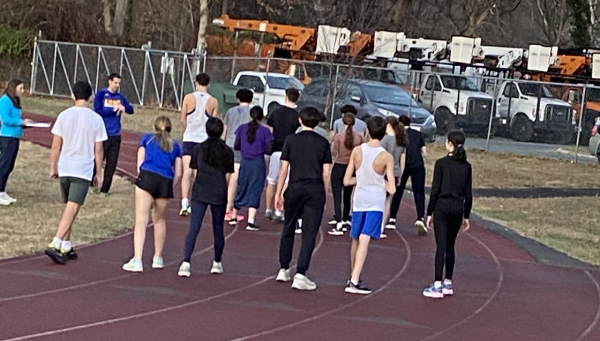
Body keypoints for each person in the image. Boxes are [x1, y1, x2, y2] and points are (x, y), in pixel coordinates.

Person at [45, 81, 108, 264]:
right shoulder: (96, 119)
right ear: (90, 97)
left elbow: (56, 145)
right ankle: (56, 242)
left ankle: (66, 244)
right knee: (73, 207)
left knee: (68, 207)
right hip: (82, 169)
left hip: (65, 166)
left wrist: (53, 166)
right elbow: (99, 149)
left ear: (73, 95)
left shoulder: (64, 116)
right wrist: (99, 172)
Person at [274, 106, 332, 291]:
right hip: (314, 188)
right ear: (317, 123)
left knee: (288, 226)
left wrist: (279, 192)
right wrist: (324, 193)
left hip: (295, 186)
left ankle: (283, 268)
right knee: (309, 232)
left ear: (300, 120)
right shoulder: (323, 143)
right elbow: (326, 173)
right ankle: (301, 273)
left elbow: (284, 169)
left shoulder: (291, 140)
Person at [122, 116, 183, 272]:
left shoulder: (147, 140)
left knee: (141, 220)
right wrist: (170, 184)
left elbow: (140, 164)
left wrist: (143, 178)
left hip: (148, 176)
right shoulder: (175, 146)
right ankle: (158, 257)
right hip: (165, 181)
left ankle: (138, 260)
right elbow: (178, 172)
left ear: (155, 127)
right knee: (159, 219)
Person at [343, 117, 395, 295]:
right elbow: (392, 188)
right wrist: (380, 182)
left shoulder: (357, 151)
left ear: (367, 132)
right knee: (365, 237)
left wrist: (363, 179)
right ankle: (355, 280)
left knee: (356, 237)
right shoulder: (386, 156)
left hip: (359, 199)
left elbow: (347, 180)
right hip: (375, 201)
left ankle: (353, 275)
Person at [178, 117, 234, 277]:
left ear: (206, 130)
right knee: (218, 228)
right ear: (222, 131)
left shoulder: (199, 149)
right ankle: (217, 262)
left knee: (194, 227)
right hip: (219, 190)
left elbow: (194, 172)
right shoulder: (227, 151)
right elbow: (229, 175)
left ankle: (186, 263)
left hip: (201, 189)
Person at [422, 130, 472, 299]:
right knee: (450, 245)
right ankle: (448, 282)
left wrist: (429, 213)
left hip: (442, 206)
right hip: (458, 208)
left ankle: (437, 285)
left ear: (450, 143)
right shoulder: (466, 167)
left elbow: (435, 190)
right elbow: (468, 193)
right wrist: (467, 216)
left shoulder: (441, 164)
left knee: (440, 246)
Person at [179, 73, 219, 216]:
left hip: (189, 138)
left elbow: (183, 118)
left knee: (187, 172)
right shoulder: (213, 101)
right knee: (199, 173)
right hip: (204, 140)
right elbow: (213, 123)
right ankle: (197, 201)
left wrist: (187, 131)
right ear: (208, 84)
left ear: (196, 83)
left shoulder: (188, 98)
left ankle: (184, 202)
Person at [229, 106, 274, 230]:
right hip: (258, 162)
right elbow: (269, 149)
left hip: (245, 161)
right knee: (255, 189)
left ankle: (234, 216)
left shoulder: (242, 128)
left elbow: (236, 145)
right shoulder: (265, 131)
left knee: (242, 186)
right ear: (261, 117)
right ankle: (251, 221)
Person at [92, 73, 135, 196]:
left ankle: (105, 189)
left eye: (119, 83)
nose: (117, 85)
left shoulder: (120, 97)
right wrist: (113, 110)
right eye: (115, 82)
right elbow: (98, 111)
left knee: (112, 163)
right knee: (98, 160)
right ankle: (92, 183)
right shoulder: (101, 94)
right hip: (102, 134)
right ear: (110, 82)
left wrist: (124, 108)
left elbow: (131, 110)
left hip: (116, 135)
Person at [387, 115, 428, 235]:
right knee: (419, 192)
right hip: (418, 165)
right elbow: (424, 153)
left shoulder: (398, 135)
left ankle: (392, 218)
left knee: (398, 190)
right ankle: (420, 217)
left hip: (403, 165)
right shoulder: (418, 134)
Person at [265, 88, 300, 223]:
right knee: (286, 182)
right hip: (290, 152)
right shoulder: (297, 116)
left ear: (286, 96)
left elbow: (270, 131)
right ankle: (280, 209)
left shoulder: (276, 112)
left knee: (272, 180)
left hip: (276, 151)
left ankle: (268, 209)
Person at [328, 112, 364, 236]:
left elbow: (334, 153)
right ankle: (345, 218)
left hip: (339, 166)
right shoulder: (359, 137)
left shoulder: (338, 137)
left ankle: (338, 220)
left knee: (337, 196)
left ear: (343, 122)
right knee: (348, 196)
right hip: (352, 168)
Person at [0, 79, 33, 205]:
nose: (23, 91)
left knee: (9, 165)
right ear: (13, 88)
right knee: (4, 165)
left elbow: (15, 119)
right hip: (7, 137)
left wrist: (25, 123)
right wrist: (21, 122)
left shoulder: (15, 101)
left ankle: (2, 191)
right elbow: (6, 119)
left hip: (15, 136)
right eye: (21, 88)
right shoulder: (5, 100)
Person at [223, 89, 254, 223]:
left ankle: (223, 205)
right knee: (234, 179)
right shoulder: (252, 113)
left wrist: (222, 143)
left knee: (226, 176)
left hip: (229, 144)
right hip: (241, 146)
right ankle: (228, 209)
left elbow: (225, 128)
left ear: (238, 98)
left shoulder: (231, 111)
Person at [381, 116, 407, 238]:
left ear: (388, 126)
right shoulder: (401, 141)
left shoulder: (385, 140)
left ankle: (376, 225)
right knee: (388, 200)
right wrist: (401, 175)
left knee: (380, 199)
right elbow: (403, 161)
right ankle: (382, 226)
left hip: (384, 173)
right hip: (395, 173)